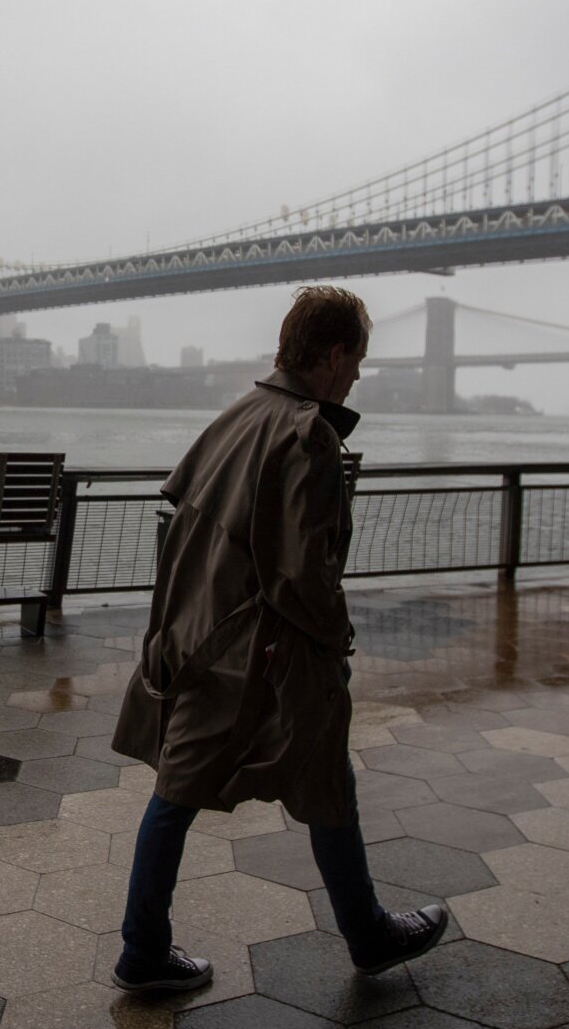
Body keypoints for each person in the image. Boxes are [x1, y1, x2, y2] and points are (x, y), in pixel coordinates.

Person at [109, 285, 448, 993]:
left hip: (201, 634)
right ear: (331, 355)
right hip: (264, 652)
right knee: (258, 785)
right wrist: (337, 637)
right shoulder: (308, 434)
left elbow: (188, 528)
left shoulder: (238, 415)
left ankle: (360, 931)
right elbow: (301, 575)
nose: (357, 374)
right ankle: (361, 934)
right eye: (357, 358)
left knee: (218, 787)